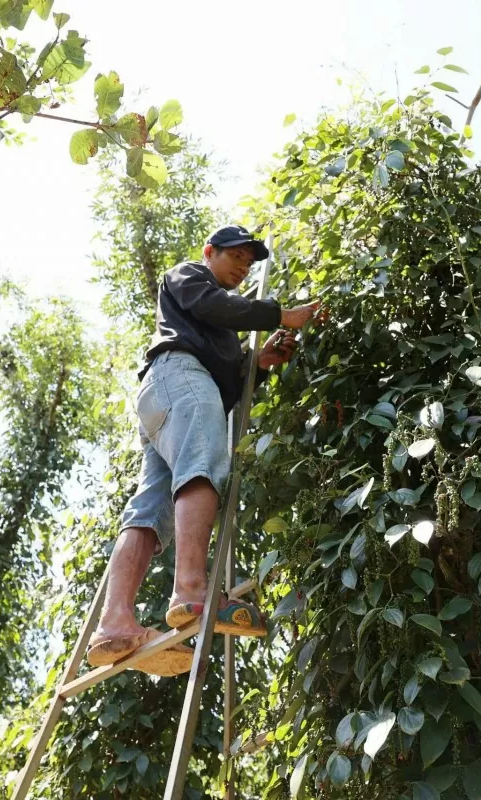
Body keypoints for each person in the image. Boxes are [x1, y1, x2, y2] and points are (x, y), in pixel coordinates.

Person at [86, 225, 320, 675]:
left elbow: (227, 377)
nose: (243, 266)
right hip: (181, 378)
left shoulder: (217, 329)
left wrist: (260, 363)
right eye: (236, 255)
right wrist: (281, 315)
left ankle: (114, 623)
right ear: (210, 252)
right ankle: (191, 593)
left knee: (149, 509)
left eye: (250, 263)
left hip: (167, 397)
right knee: (203, 465)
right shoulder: (188, 276)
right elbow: (214, 307)